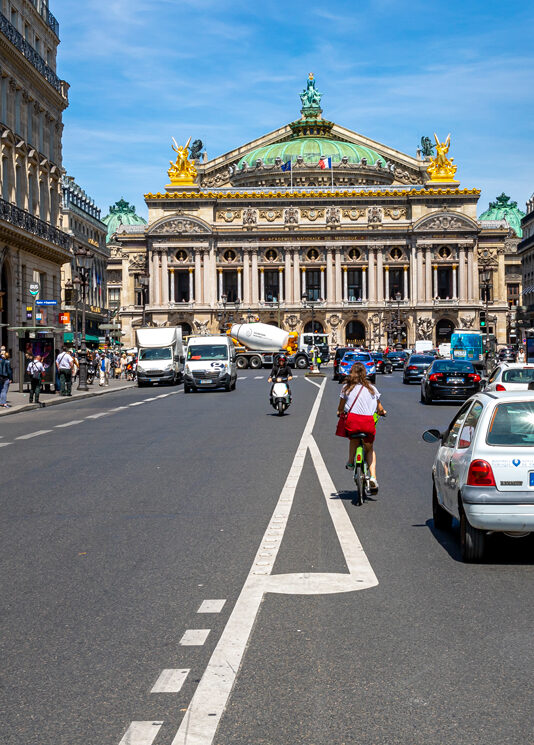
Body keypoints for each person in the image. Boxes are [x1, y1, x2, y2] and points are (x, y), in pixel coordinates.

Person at [336, 362, 386, 490]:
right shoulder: (371, 389)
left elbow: (341, 408)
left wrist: (340, 412)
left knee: (353, 439)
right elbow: (380, 408)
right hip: (368, 423)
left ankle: (350, 461)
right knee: (369, 449)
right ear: (365, 374)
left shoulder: (346, 388)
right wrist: (382, 412)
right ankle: (373, 477)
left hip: (352, 422)